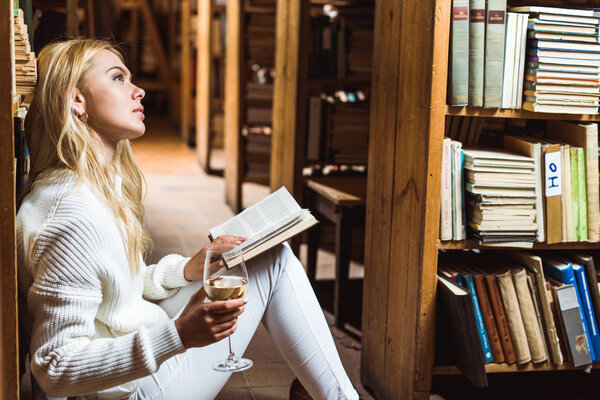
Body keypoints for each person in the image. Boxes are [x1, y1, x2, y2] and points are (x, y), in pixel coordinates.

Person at [17, 38, 359, 400]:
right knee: (273, 262)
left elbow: (114, 289)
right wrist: (178, 335)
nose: (139, 91)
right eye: (118, 78)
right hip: (123, 393)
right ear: (76, 100)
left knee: (261, 254)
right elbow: (55, 365)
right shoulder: (71, 214)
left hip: (126, 371)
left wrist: (187, 270)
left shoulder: (89, 186)